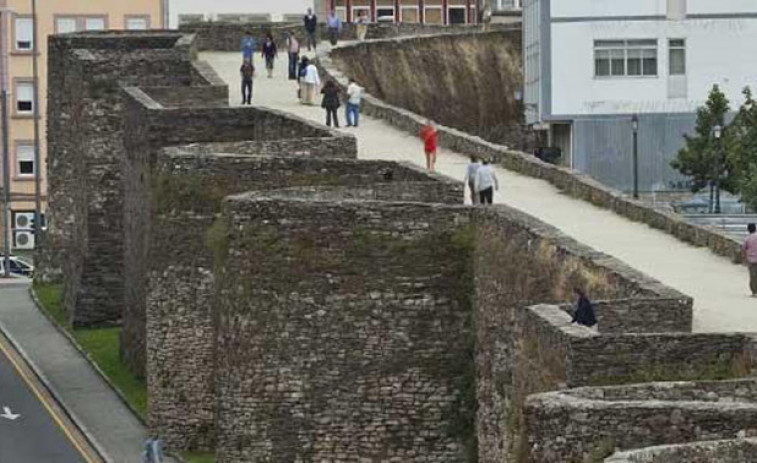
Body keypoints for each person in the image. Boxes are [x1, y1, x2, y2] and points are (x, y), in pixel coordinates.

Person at [743, 223, 757, 297]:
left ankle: (754, 292)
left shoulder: (747, 238)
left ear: (748, 230)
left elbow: (744, 249)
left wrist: (745, 259)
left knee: (753, 276)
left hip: (751, 259)